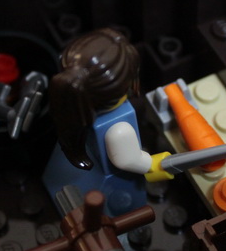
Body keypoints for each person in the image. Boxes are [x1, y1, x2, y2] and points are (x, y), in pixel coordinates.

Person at [42, 28, 170, 215]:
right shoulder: (119, 129)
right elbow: (128, 160)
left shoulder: (72, 111)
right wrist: (155, 165)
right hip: (109, 185)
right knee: (121, 212)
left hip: (70, 165)